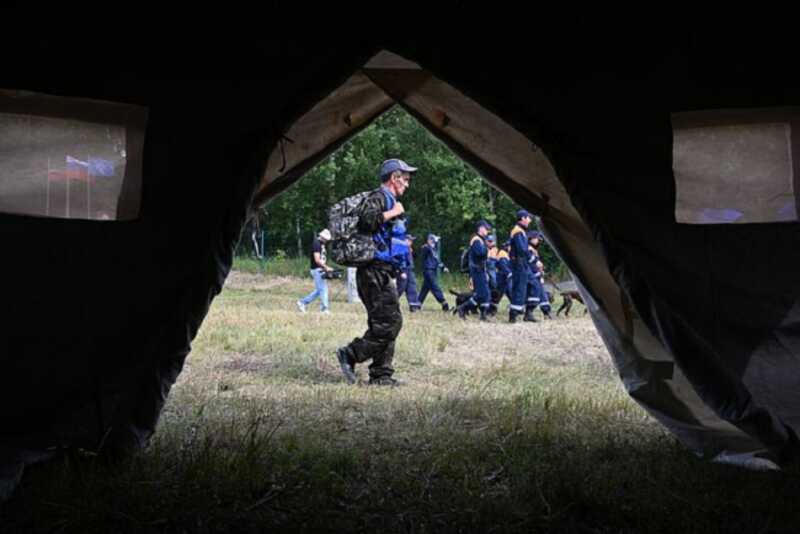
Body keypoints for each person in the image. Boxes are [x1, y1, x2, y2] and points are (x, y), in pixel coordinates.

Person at [335, 158, 416, 386]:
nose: (407, 185)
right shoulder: (379, 197)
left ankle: (381, 376)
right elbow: (368, 221)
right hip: (373, 271)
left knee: (383, 322)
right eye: (405, 179)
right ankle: (350, 354)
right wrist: (394, 212)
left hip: (381, 271)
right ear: (394, 178)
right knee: (390, 323)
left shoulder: (387, 199)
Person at [459, 219, 492, 321]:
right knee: (481, 294)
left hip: (481, 269)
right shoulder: (476, 240)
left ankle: (483, 315)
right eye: (486, 229)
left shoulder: (480, 239)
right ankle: (463, 308)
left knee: (486, 293)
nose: (487, 231)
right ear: (481, 228)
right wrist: (487, 248)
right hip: (477, 270)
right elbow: (480, 253)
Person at [297, 228, 334, 314]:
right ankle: (324, 309)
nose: (327, 241)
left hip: (320, 269)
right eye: (326, 239)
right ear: (322, 237)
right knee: (323, 289)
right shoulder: (316, 244)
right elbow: (317, 260)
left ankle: (302, 302)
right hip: (317, 269)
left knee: (319, 290)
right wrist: (326, 267)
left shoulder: (322, 245)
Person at [508, 209, 533, 323]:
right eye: (528, 218)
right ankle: (513, 315)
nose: (530, 220)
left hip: (520, 262)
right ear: (523, 218)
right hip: (519, 263)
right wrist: (531, 258)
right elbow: (522, 249)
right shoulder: (518, 231)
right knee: (519, 288)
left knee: (521, 287)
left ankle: (515, 313)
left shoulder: (519, 231)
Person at [418, 234, 450, 311]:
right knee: (435, 287)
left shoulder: (433, 250)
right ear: (429, 240)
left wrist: (444, 267)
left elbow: (438, 261)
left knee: (425, 289)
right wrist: (426, 246)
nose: (435, 242)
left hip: (432, 271)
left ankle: (417, 304)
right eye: (433, 240)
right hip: (428, 271)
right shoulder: (426, 248)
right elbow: (424, 252)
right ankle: (444, 303)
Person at [528, 230, 552, 319]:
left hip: (536, 275)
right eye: (537, 239)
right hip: (532, 276)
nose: (539, 241)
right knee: (533, 294)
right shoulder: (529, 249)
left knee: (542, 294)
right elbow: (531, 264)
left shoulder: (533, 249)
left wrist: (541, 273)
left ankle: (546, 312)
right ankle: (528, 313)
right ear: (531, 239)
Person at [396, 233, 421, 312]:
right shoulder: (401, 249)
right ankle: (390, 303)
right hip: (403, 270)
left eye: (412, 241)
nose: (411, 242)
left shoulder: (409, 248)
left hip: (410, 270)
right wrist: (401, 271)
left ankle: (413, 306)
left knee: (412, 287)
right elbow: (399, 261)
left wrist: (412, 252)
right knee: (400, 288)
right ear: (405, 240)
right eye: (410, 240)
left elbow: (415, 258)